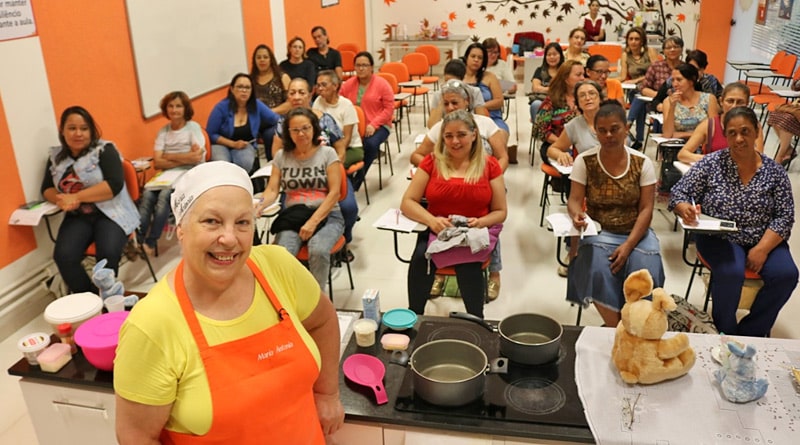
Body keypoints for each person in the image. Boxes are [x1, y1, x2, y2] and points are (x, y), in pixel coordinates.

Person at [114, 161, 345, 443]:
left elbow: (322, 320)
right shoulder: (152, 325)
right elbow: (136, 437)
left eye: (242, 222)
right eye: (211, 221)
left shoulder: (278, 267)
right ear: (181, 228)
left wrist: (327, 393)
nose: (229, 238)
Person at [669, 107, 797, 337]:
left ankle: (752, 332)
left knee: (787, 274)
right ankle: (726, 331)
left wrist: (762, 248)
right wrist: (684, 208)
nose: (739, 139)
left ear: (758, 131)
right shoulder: (711, 164)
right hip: (720, 237)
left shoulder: (775, 172)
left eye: (745, 131)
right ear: (725, 136)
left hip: (763, 237)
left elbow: (785, 216)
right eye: (732, 133)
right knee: (731, 272)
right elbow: (679, 193)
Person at [567, 100, 665, 328]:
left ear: (626, 128)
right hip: (599, 230)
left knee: (646, 273)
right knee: (593, 268)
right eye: (602, 130)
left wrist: (629, 245)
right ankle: (618, 328)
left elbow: (646, 210)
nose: (608, 135)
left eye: (615, 129)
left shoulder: (642, 163)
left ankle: (636, 324)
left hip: (636, 232)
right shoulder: (585, 161)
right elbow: (574, 200)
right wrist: (576, 214)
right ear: (596, 132)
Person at [402, 110, 507, 319]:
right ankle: (415, 317)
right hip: (438, 228)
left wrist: (481, 222)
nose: (454, 141)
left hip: (473, 229)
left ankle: (476, 319)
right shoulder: (432, 162)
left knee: (468, 264)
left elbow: (501, 212)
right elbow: (407, 202)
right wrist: (431, 220)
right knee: (420, 259)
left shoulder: (490, 165)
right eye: (448, 136)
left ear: (474, 134)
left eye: (461, 135)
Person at [41, 106, 140, 294]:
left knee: (107, 254)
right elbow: (46, 188)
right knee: (64, 256)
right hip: (79, 216)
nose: (78, 133)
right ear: (62, 130)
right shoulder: (56, 157)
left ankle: (108, 298)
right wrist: (61, 200)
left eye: (84, 128)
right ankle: (90, 299)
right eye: (72, 128)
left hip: (112, 212)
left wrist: (76, 197)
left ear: (91, 131)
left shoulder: (104, 150)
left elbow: (113, 185)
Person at [261, 108, 345, 289]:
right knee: (282, 254)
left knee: (318, 250)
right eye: (295, 130)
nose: (301, 134)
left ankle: (318, 301)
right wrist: (258, 206)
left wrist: (313, 222)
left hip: (327, 215)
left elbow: (334, 193)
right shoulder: (281, 156)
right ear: (288, 133)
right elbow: (272, 190)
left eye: (306, 128)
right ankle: (288, 299)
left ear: (314, 129)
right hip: (294, 215)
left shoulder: (327, 153)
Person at [272, 77, 358, 248]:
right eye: (292, 93)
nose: (296, 97)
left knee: (348, 207)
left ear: (310, 94)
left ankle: (343, 241)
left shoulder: (325, 119)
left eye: (301, 92)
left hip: (327, 172)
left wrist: (333, 167)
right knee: (286, 210)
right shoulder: (282, 123)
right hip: (296, 176)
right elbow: (276, 152)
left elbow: (340, 148)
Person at [138, 92, 206, 256]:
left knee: (164, 197)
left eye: (178, 106)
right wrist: (184, 157)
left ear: (185, 109)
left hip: (188, 172)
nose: (174, 110)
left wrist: (168, 156)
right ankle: (138, 241)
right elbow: (158, 162)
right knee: (146, 196)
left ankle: (151, 241)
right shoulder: (163, 132)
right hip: (166, 174)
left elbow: (197, 157)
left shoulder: (193, 128)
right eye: (171, 106)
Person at [339, 51, 394, 190]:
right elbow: (339, 102)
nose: (361, 68)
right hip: (353, 126)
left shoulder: (382, 84)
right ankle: (347, 178)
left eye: (364, 65)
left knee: (370, 145)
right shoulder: (348, 85)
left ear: (371, 67)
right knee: (344, 143)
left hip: (379, 125)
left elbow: (389, 109)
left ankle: (358, 180)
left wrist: (374, 125)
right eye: (358, 65)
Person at [206, 73, 280, 174]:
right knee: (222, 165)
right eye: (240, 87)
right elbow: (211, 134)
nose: (244, 90)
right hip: (221, 144)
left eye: (247, 87)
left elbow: (276, 119)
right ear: (232, 89)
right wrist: (233, 144)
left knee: (245, 163)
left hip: (244, 145)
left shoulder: (256, 105)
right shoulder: (221, 107)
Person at [678, 82, 764, 163]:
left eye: (740, 102)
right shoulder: (709, 125)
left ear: (747, 104)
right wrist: (711, 160)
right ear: (721, 101)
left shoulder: (754, 125)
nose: (734, 106)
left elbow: (759, 156)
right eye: (730, 101)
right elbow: (683, 154)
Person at [627, 36, 684, 150]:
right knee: (639, 98)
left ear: (681, 49)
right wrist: (659, 96)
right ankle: (629, 126)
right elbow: (644, 88)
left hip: (679, 103)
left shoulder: (685, 68)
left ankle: (631, 129)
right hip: (656, 102)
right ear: (664, 51)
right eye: (668, 47)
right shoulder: (656, 66)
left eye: (675, 47)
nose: (672, 50)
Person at [533, 60, 585, 164]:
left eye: (583, 74)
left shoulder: (586, 99)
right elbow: (541, 131)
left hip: (582, 146)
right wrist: (563, 144)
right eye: (578, 75)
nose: (583, 78)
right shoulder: (552, 100)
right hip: (554, 146)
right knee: (568, 162)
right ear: (566, 78)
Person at [547, 81, 604, 166]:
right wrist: (560, 154)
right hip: (588, 173)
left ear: (600, 98)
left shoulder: (612, 120)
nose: (588, 98)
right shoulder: (574, 125)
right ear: (578, 103)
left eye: (592, 93)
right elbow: (552, 149)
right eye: (582, 95)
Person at [662, 63, 719, 139]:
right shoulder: (668, 101)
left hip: (704, 145)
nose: (674, 84)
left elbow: (714, 130)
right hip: (677, 146)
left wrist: (683, 135)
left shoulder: (709, 99)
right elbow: (667, 134)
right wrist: (672, 107)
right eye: (673, 80)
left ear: (691, 80)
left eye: (679, 80)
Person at [463, 43, 510, 133]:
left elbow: (499, 101)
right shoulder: (459, 77)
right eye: (473, 56)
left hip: (493, 119)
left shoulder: (490, 77)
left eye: (480, 58)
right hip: (464, 120)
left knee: (500, 137)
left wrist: (478, 106)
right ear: (466, 58)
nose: (476, 60)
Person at [428, 59, 489, 128]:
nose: (450, 85)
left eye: (454, 82)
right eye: (447, 81)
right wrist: (443, 101)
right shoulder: (439, 94)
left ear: (462, 80)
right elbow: (431, 126)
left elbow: (482, 122)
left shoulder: (475, 92)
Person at [251, 44, 291, 115]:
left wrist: (268, 112)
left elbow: (291, 103)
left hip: (279, 118)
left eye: (265, 57)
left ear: (271, 60)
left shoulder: (282, 77)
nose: (262, 60)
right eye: (258, 57)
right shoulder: (250, 80)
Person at [529, 42, 565, 122]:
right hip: (543, 101)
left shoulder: (565, 71)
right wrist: (554, 90)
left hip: (561, 101)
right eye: (549, 55)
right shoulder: (540, 71)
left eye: (555, 54)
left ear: (560, 55)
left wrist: (545, 89)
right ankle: (539, 132)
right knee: (536, 104)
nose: (552, 57)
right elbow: (535, 88)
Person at [619, 27, 658, 93]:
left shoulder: (650, 51)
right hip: (635, 88)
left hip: (652, 85)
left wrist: (636, 80)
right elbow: (622, 77)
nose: (633, 42)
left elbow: (656, 72)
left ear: (642, 41)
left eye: (636, 39)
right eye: (631, 39)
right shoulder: (625, 55)